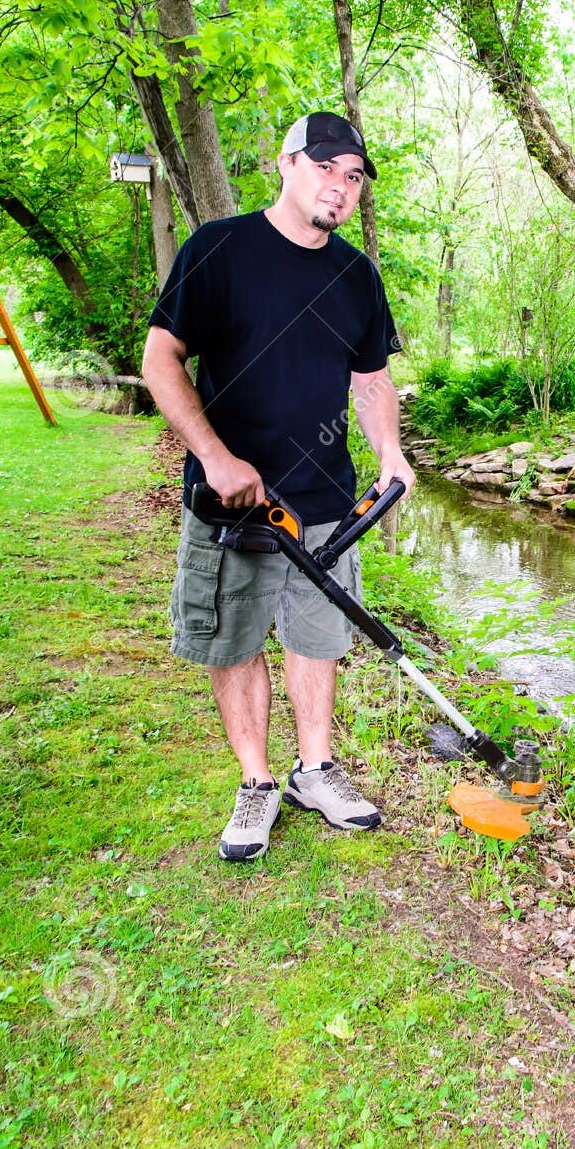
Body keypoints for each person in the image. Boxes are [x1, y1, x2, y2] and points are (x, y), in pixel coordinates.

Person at [142, 111, 416, 863]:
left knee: (317, 639)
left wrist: (390, 451)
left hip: (327, 502)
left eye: (355, 176)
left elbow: (370, 379)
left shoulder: (356, 275)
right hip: (231, 506)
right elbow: (160, 360)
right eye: (328, 166)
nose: (342, 185)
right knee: (233, 643)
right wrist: (217, 457)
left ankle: (315, 771)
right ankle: (258, 780)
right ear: (288, 163)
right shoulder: (220, 250)